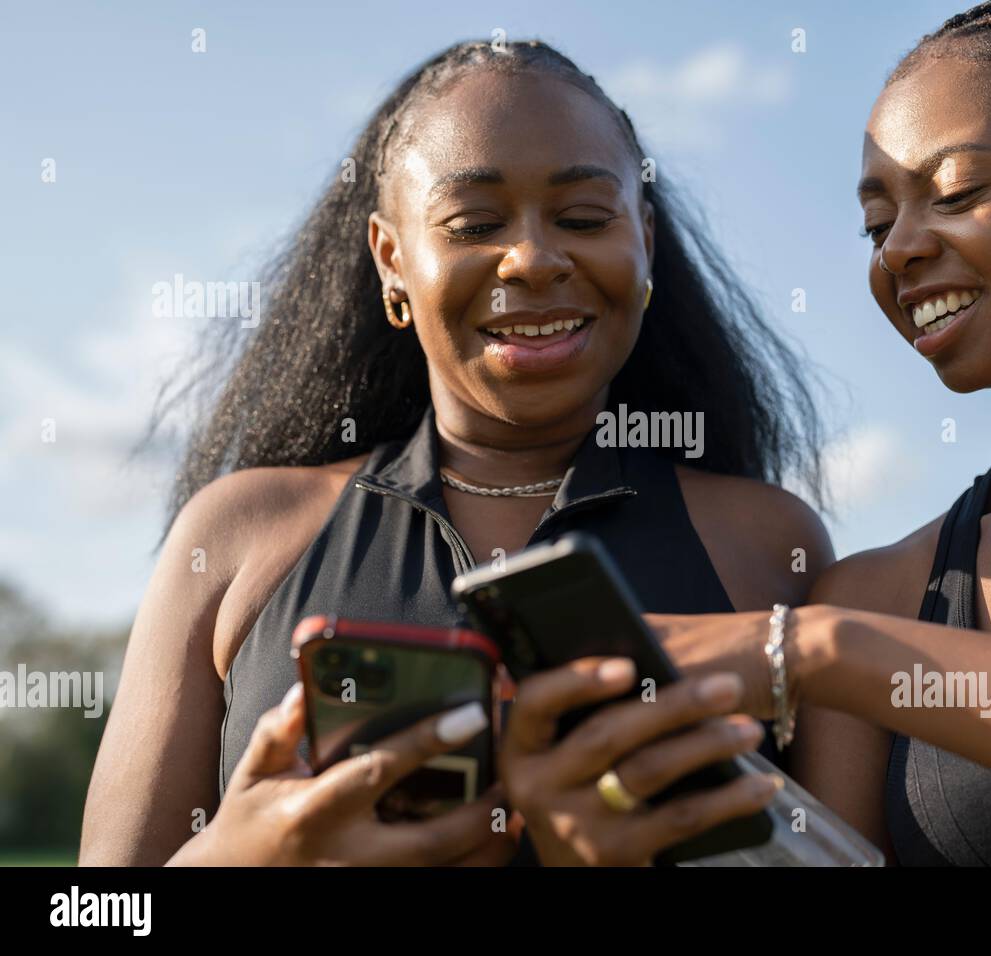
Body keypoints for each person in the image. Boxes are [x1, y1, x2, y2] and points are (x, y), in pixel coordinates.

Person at [500, 0, 991, 866]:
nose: (900, 250)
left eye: (956, 194)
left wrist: (821, 652)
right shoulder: (873, 593)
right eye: (878, 226)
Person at [79, 39, 832, 866]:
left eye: (584, 218)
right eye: (474, 224)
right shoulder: (238, 536)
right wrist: (241, 855)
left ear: (645, 243)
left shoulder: (768, 548)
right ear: (392, 261)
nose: (533, 259)